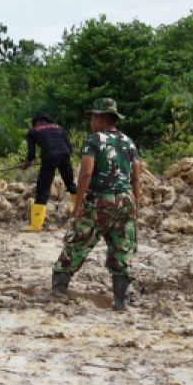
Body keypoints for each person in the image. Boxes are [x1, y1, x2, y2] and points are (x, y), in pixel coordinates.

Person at [50, 98, 141, 311]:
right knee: (122, 249)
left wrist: (78, 202)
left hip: (100, 199)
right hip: (126, 199)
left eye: (92, 117)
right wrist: (135, 203)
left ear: (101, 118)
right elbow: (136, 177)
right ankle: (120, 300)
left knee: (77, 242)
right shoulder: (128, 141)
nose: (91, 121)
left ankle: (59, 290)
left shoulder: (94, 140)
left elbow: (86, 173)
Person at [20, 112, 77, 231]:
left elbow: (31, 154)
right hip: (64, 155)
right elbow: (70, 148)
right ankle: (82, 214)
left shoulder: (33, 131)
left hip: (49, 157)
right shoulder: (59, 128)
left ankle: (36, 225)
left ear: (35, 122)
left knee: (43, 188)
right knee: (71, 184)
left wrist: (27, 163)